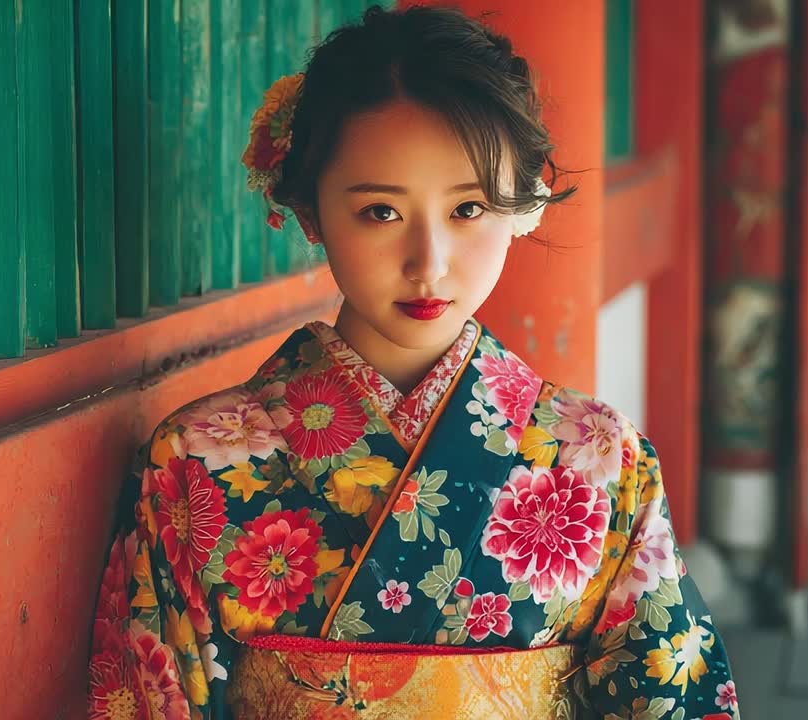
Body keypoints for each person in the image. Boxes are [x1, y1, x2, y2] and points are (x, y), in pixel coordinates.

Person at [86, 5, 737, 718]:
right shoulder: (195, 464)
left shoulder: (602, 458)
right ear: (309, 211)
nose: (429, 263)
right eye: (381, 212)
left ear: (519, 205)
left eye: (468, 210)